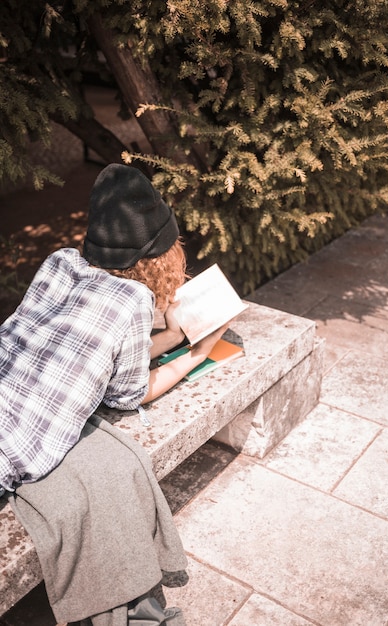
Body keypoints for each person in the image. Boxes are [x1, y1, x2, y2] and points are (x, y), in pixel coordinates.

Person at [0, 164, 227, 625]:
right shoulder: (131, 302)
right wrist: (194, 353)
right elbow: (128, 394)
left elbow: (82, 348)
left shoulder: (60, 262)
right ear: (159, 254)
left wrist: (165, 338)